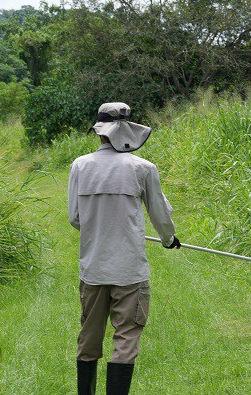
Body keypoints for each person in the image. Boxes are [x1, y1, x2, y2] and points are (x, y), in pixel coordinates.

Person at [69, 102, 181, 395]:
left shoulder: (80, 165)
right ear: (127, 130)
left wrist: (100, 227)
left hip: (92, 270)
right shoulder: (143, 168)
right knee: (127, 337)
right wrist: (169, 239)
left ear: (100, 132)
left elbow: (75, 218)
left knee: (89, 339)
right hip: (129, 272)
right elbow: (160, 214)